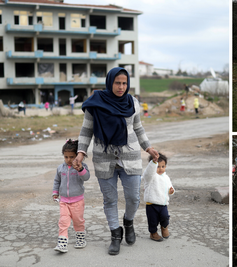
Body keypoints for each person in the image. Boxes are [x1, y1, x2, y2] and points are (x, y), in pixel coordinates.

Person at [73, 67, 159, 255]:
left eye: (124, 83)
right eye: (117, 83)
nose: (121, 87)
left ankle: (128, 223)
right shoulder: (95, 103)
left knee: (134, 197)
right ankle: (115, 234)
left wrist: (148, 147)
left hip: (131, 157)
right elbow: (86, 130)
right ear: (110, 82)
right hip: (104, 158)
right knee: (110, 199)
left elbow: (138, 127)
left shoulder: (132, 102)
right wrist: (81, 152)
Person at [53, 139, 90, 253]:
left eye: (72, 157)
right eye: (66, 157)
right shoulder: (60, 168)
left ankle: (81, 239)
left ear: (78, 156)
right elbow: (57, 181)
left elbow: (86, 177)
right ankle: (62, 243)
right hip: (64, 201)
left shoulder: (81, 166)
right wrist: (55, 193)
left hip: (77, 200)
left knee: (78, 221)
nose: (69, 160)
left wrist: (80, 169)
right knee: (63, 221)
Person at [141, 153, 175, 242]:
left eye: (163, 166)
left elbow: (170, 187)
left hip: (163, 204)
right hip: (151, 204)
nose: (160, 169)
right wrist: (153, 163)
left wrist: (171, 191)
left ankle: (164, 227)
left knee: (165, 217)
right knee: (153, 221)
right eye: (158, 166)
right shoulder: (151, 176)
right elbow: (148, 173)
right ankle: (153, 233)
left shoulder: (166, 177)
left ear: (165, 167)